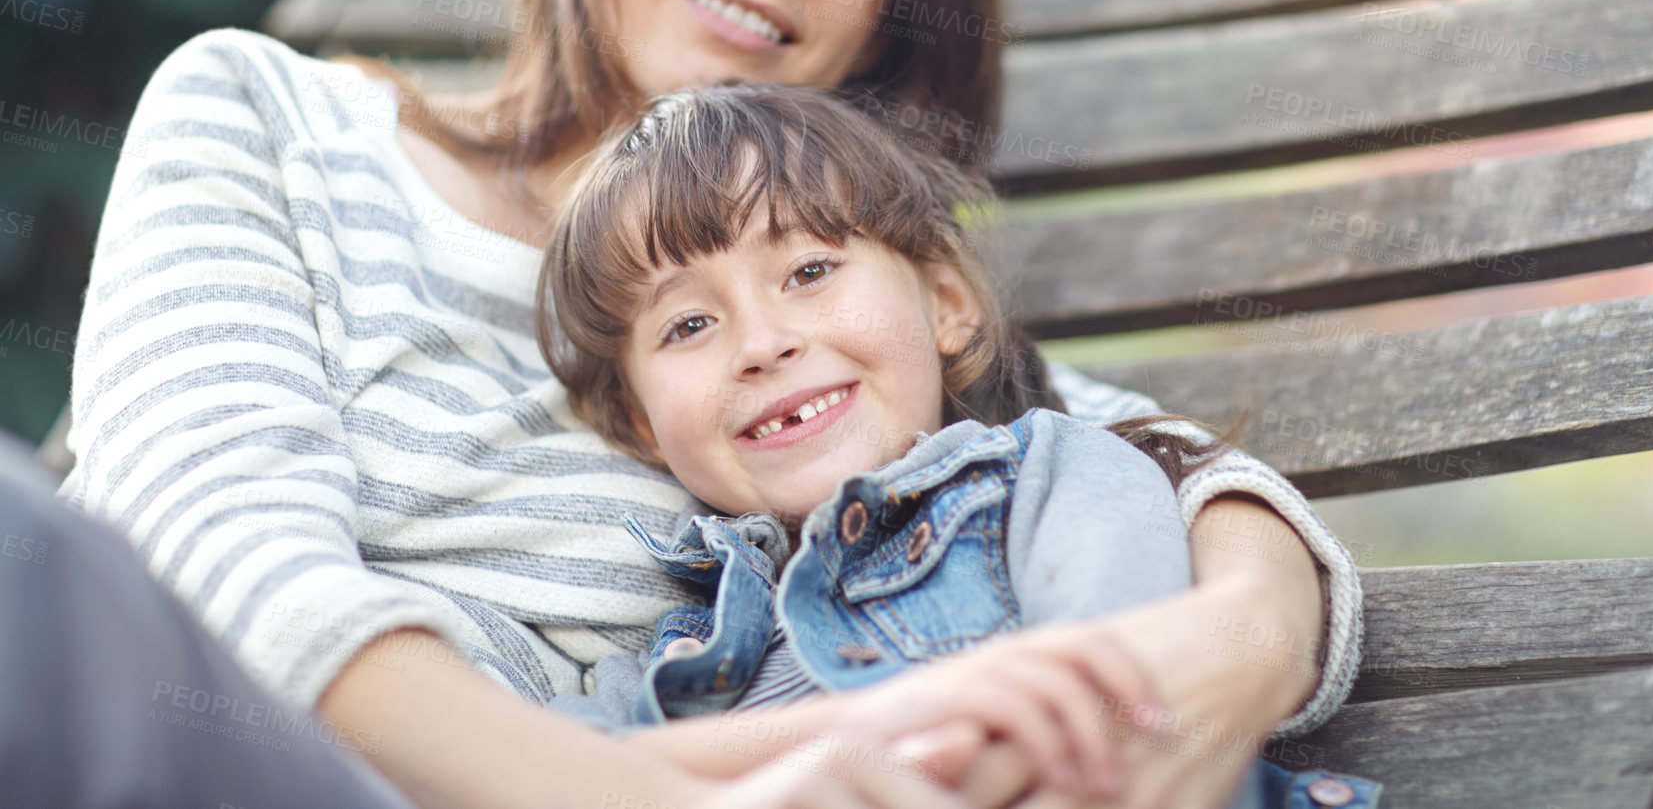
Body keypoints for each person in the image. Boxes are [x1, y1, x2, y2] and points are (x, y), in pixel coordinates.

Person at [59, 0, 1363, 805]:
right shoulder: (272, 118)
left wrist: (1249, 633)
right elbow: (208, 566)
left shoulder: (841, 342)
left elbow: (1162, 468)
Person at [530, 83, 1382, 809]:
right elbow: (526, 773)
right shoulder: (682, 654)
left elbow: (1115, 702)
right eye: (688, 324)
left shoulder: (1055, 476)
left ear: (945, 304)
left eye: (810, 272)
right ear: (644, 426)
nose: (761, 341)